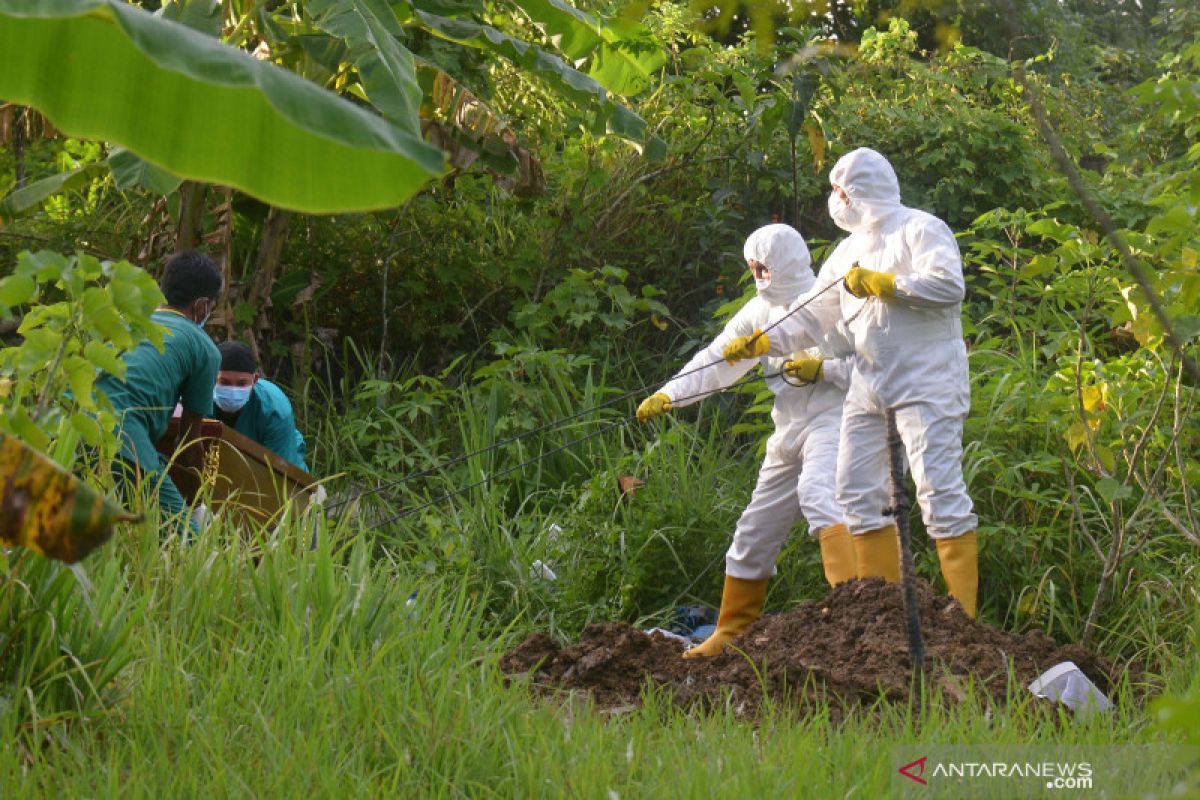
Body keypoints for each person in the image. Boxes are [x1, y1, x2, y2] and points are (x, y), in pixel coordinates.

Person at [722, 148, 979, 617]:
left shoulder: (920, 228)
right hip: (869, 385)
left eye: (839, 191)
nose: (835, 200)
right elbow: (814, 319)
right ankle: (886, 614)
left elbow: (948, 286)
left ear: (859, 193)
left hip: (928, 383)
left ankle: (963, 618)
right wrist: (764, 341)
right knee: (857, 492)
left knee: (938, 492)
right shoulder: (844, 253)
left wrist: (885, 284)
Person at [636, 224, 855, 658]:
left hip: (836, 419)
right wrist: (670, 395)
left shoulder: (829, 303)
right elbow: (716, 359)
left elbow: (869, 367)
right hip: (788, 428)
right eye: (752, 266)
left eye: (764, 266)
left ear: (785, 263)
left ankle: (859, 612)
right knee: (754, 529)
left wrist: (824, 369)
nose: (757, 274)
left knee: (819, 495)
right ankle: (731, 632)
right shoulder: (758, 311)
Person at [96, 250, 222, 536]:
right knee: (185, 540)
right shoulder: (203, 347)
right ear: (202, 306)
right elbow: (189, 440)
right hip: (123, 433)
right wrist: (199, 502)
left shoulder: (128, 322)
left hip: (67, 423)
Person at [212, 342, 308, 471]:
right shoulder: (195, 397)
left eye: (241, 384)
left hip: (278, 462)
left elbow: (279, 473)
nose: (233, 390)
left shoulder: (275, 410)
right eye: (224, 382)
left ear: (255, 380)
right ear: (211, 377)